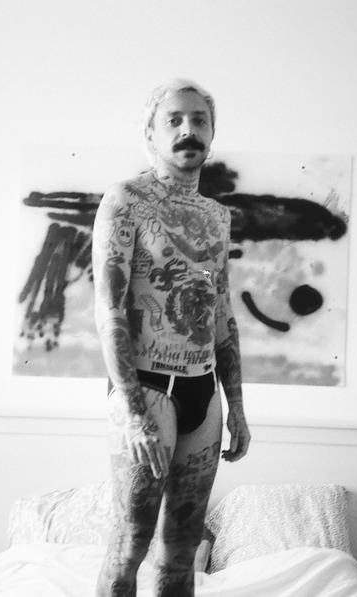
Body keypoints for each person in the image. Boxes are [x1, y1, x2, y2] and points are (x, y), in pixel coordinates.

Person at [92, 79, 251, 597]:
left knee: (182, 551)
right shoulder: (127, 200)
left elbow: (221, 313)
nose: (188, 130)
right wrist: (133, 411)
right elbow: (109, 308)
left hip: (203, 389)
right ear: (151, 134)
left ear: (211, 133)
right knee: (129, 546)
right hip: (146, 388)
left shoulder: (217, 216)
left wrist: (237, 407)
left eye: (199, 120)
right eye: (174, 120)